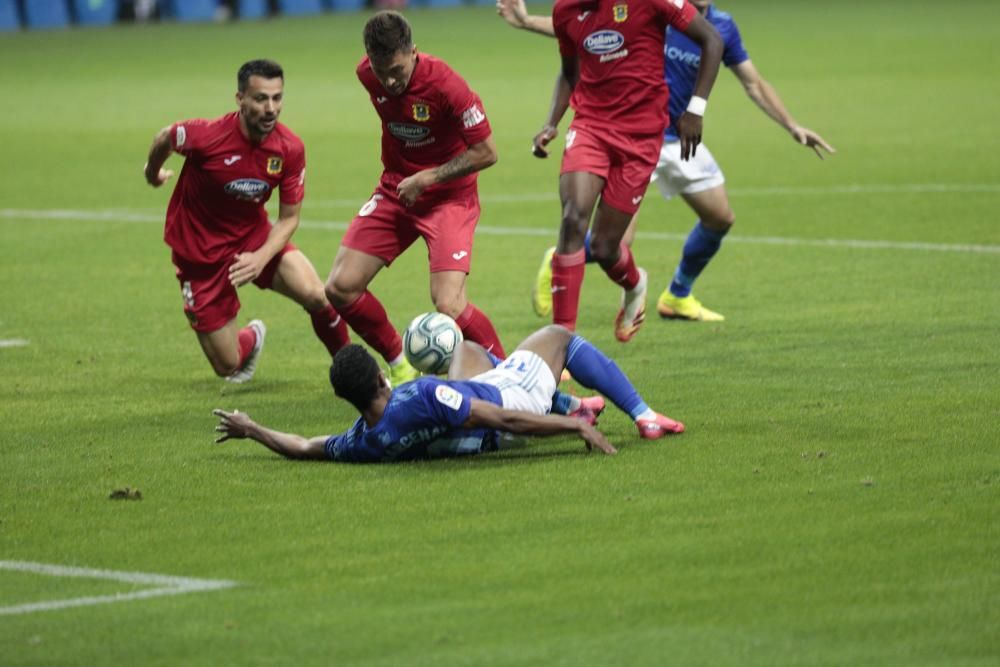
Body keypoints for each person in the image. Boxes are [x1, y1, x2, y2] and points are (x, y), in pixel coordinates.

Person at [498, 0, 836, 322]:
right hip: (623, 131)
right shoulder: (666, 12)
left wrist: (792, 126)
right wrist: (528, 23)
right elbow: (584, 30)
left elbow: (753, 82)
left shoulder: (721, 26)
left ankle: (677, 294)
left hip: (675, 138)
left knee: (718, 217)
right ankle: (563, 261)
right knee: (602, 235)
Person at [324, 11, 506, 388]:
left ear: (414, 53)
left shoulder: (447, 86)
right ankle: (398, 362)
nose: (389, 81)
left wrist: (428, 177)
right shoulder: (366, 75)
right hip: (396, 190)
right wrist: (409, 178)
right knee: (339, 288)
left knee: (449, 305)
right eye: (380, 70)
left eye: (397, 70)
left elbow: (487, 151)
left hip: (449, 199)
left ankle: (510, 374)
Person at [521, 0, 722, 343]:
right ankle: (561, 344)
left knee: (603, 247)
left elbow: (712, 40)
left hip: (640, 138)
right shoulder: (565, 11)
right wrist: (551, 123)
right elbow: (570, 72)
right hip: (590, 126)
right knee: (572, 219)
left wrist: (696, 109)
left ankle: (635, 284)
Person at [144, 59, 350, 383]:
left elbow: (289, 219)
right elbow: (165, 138)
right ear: (240, 99)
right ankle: (253, 336)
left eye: (277, 98)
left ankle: (352, 370)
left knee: (318, 296)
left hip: (253, 238)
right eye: (260, 98)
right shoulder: (205, 136)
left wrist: (260, 257)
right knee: (228, 366)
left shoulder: (289, 148)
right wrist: (152, 172)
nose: (271, 108)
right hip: (199, 254)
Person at [213, 325, 685, 462]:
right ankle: (640, 414)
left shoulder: (364, 441)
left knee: (468, 346)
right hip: (512, 401)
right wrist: (571, 427)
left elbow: (303, 446)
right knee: (558, 337)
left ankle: (570, 401)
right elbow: (500, 418)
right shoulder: (418, 396)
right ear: (381, 377)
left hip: (478, 403)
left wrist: (251, 429)